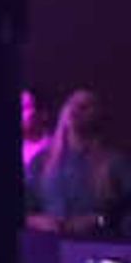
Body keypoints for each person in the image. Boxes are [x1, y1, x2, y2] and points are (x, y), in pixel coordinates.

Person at [32, 89, 129, 237]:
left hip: (97, 246)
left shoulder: (115, 163)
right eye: (72, 103)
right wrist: (35, 221)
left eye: (86, 105)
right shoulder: (41, 162)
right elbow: (20, 207)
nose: (76, 109)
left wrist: (99, 220)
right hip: (48, 247)